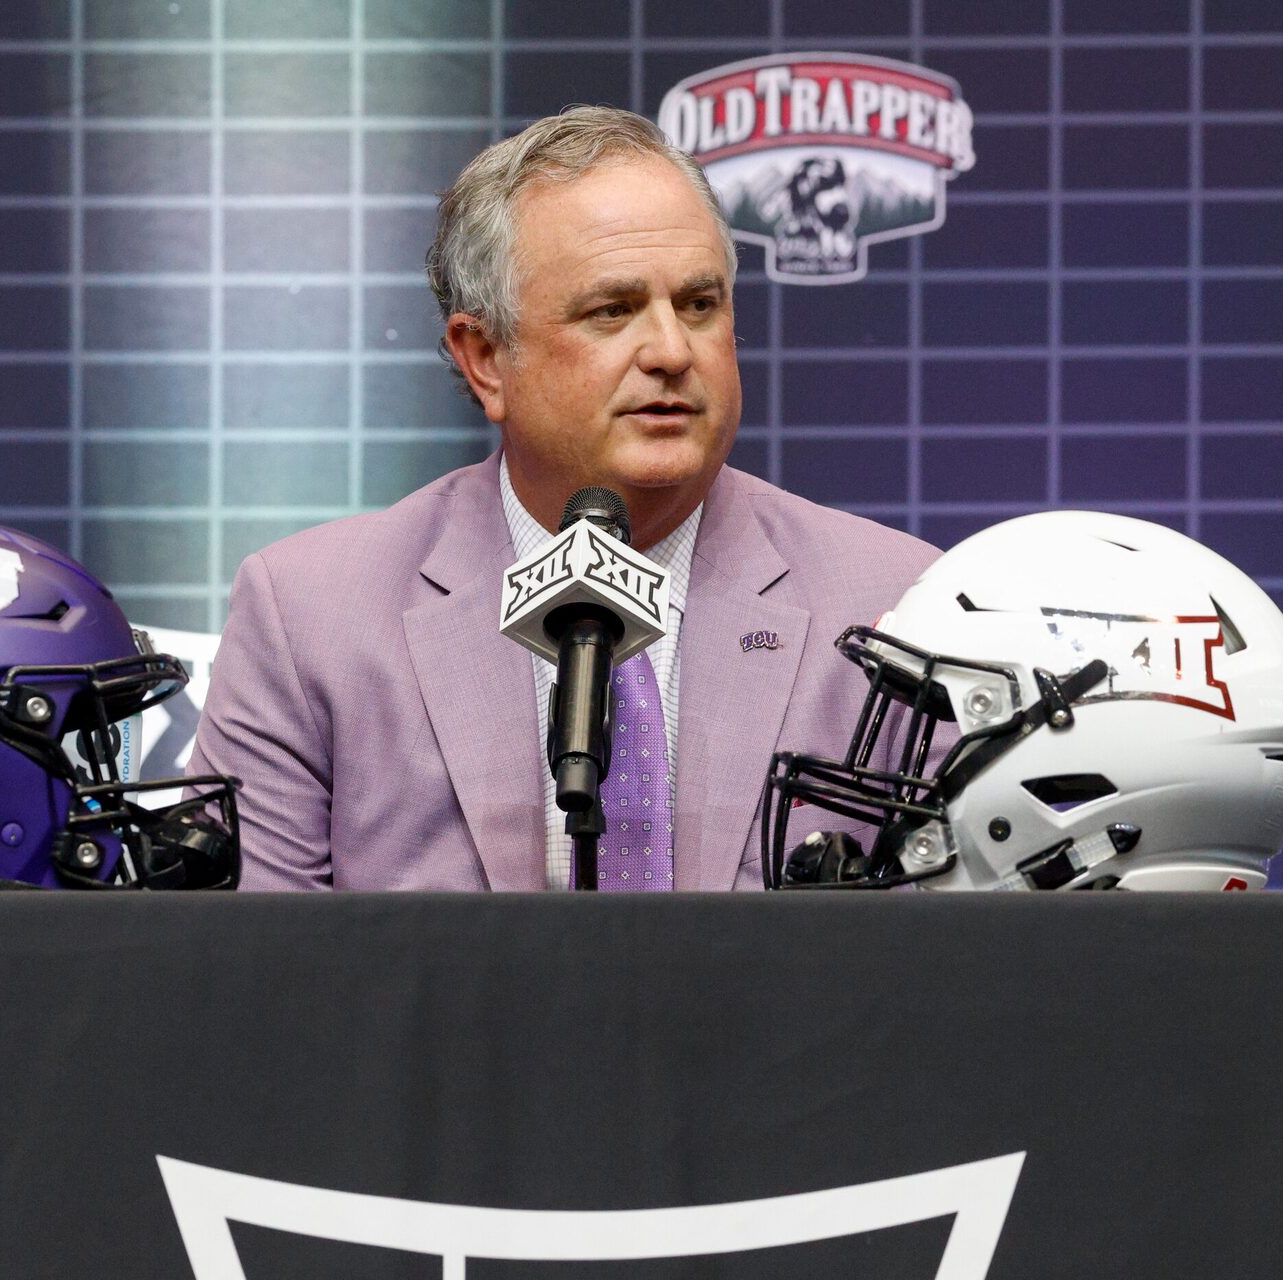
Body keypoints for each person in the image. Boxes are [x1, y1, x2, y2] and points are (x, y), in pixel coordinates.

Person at [191, 106, 939, 891]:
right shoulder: (311, 620)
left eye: (699, 304)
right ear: (484, 359)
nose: (672, 351)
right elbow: (251, 978)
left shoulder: (899, 608)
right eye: (611, 310)